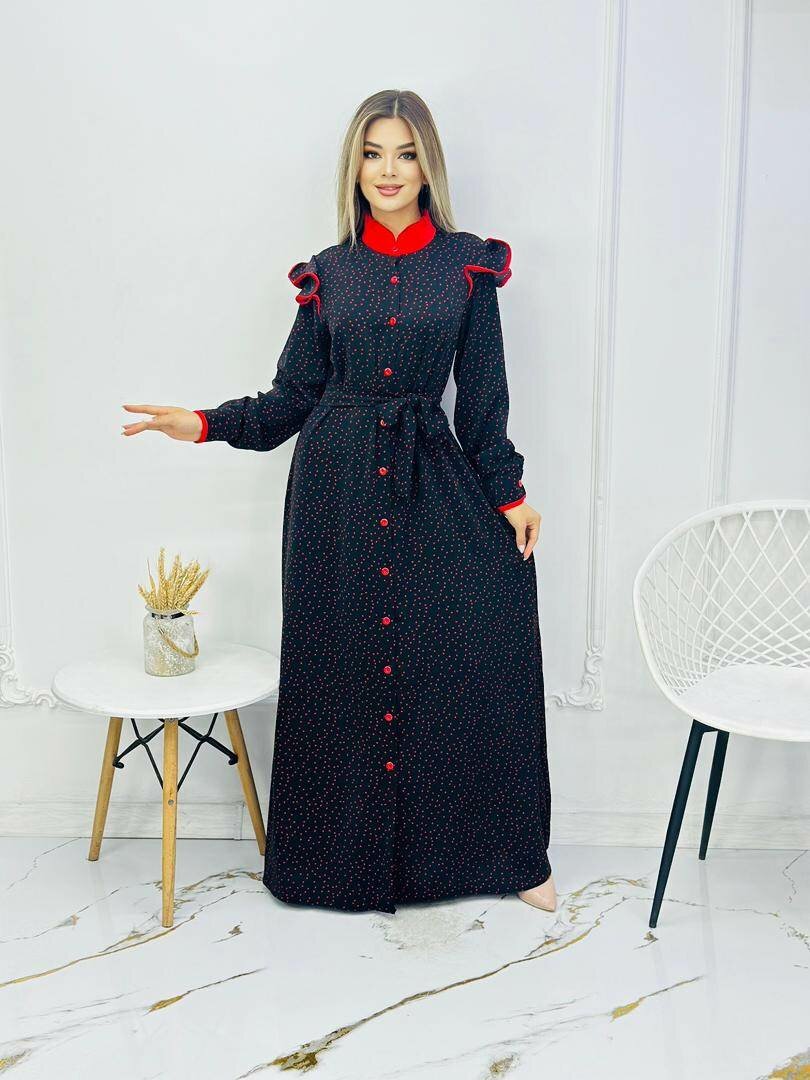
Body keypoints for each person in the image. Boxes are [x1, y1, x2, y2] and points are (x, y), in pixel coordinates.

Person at [123, 89, 556, 915]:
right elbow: (291, 399)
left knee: (473, 651)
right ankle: (332, 867)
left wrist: (509, 495)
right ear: (354, 166)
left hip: (431, 481)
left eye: (405, 154)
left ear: (427, 166)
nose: (388, 171)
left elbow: (484, 401)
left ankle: (508, 858)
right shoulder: (330, 273)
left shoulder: (467, 267)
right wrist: (202, 423)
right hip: (335, 491)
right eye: (372, 153)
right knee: (341, 671)